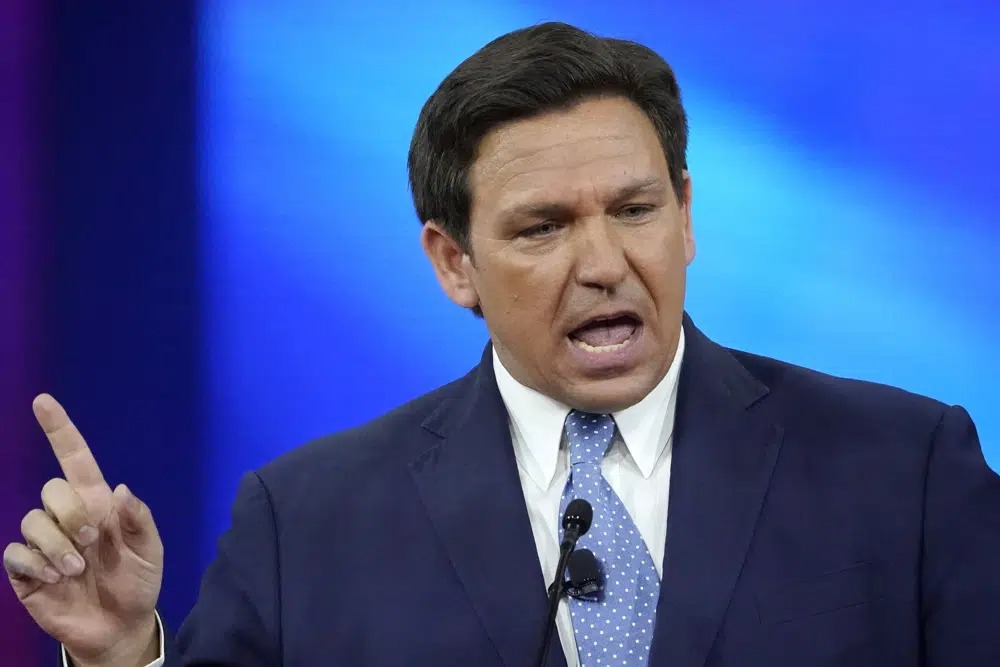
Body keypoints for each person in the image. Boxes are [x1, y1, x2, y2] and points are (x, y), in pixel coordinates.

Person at [5, 21, 1000, 667]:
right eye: (543, 227)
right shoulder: (306, 522)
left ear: (686, 214)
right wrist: (119, 653)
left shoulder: (903, 468)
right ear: (454, 263)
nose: (604, 262)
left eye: (636, 209)